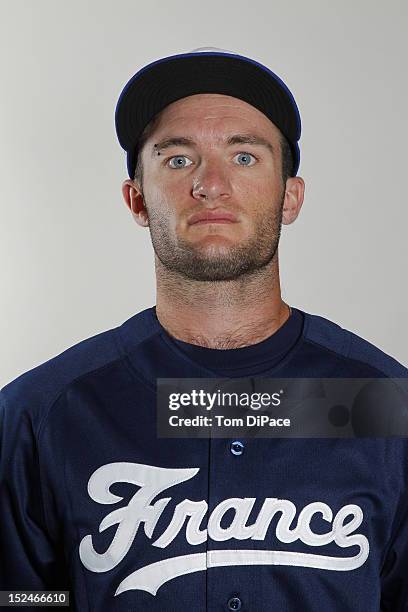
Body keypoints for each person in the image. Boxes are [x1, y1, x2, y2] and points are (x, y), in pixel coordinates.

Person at [1, 47, 407, 611]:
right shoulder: (43, 414)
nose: (210, 185)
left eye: (244, 157)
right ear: (137, 199)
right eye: (177, 160)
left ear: (290, 197)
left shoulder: (382, 402)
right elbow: (20, 600)